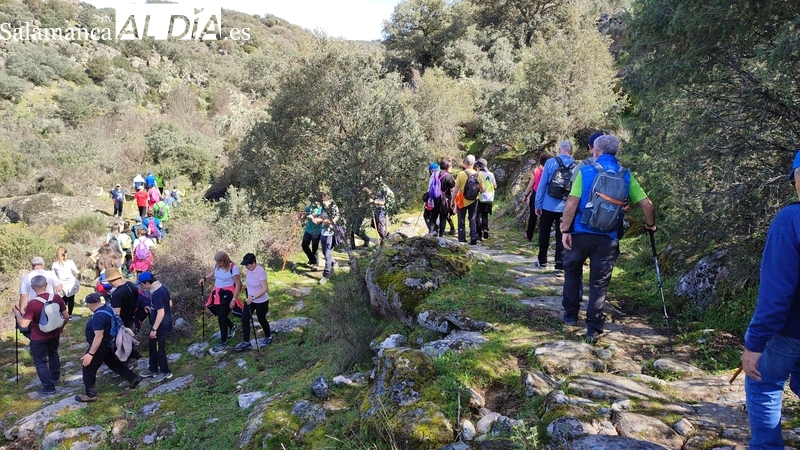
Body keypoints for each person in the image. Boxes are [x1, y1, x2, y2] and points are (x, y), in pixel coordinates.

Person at [559, 134, 656, 342]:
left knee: (573, 271)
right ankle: (593, 328)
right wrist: (651, 226)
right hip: (608, 237)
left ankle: (570, 316)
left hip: (580, 232)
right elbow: (647, 205)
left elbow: (571, 203)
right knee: (599, 282)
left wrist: (565, 230)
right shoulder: (625, 175)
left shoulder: (585, 171)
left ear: (596, 151)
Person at [740, 150, 800, 450]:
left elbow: (776, 296)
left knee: (762, 382)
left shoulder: (791, 220)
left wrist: (754, 344)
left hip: (790, 332)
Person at [76, 292, 142, 402]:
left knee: (88, 368)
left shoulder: (98, 316)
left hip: (99, 346)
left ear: (90, 304)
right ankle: (133, 378)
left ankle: (90, 394)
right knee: (113, 364)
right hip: (109, 343)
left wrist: (90, 354)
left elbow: (98, 336)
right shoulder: (108, 308)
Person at [12, 275, 68, 395]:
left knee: (40, 362)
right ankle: (55, 378)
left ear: (32, 287)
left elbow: (24, 323)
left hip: (39, 337)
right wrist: (61, 329)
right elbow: (66, 316)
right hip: (55, 333)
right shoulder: (56, 297)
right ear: (46, 285)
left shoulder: (32, 303)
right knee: (53, 353)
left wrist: (17, 313)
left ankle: (49, 387)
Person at [535, 141, 576, 269]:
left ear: (558, 150)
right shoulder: (577, 165)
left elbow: (542, 185)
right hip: (566, 207)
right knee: (562, 234)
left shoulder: (550, 162)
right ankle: (560, 264)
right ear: (571, 151)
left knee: (544, 233)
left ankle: (542, 261)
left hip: (547, 205)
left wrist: (538, 204)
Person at [199, 251, 242, 353]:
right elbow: (214, 273)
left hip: (228, 294)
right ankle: (233, 327)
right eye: (217, 262)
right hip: (217, 293)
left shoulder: (233, 268)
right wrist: (205, 278)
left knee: (221, 317)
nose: (218, 264)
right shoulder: (217, 265)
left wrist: (234, 299)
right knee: (220, 314)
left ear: (225, 260)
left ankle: (223, 342)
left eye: (220, 262)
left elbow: (237, 285)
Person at [137, 272, 173, 383]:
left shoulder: (156, 293)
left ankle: (165, 371)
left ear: (147, 283)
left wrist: (154, 329)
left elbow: (161, 313)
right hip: (161, 324)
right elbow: (169, 303)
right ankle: (153, 368)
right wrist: (152, 308)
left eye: (142, 285)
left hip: (160, 327)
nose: (143, 287)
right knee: (152, 346)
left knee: (158, 349)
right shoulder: (162, 287)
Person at [235, 253, 273, 352]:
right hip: (250, 300)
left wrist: (253, 297)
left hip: (261, 301)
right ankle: (246, 342)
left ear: (253, 263)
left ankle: (268, 336)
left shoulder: (261, 272)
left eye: (248, 265)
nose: (246, 267)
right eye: (245, 265)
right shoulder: (248, 270)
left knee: (261, 319)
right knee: (244, 319)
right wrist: (249, 296)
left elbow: (265, 289)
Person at [106, 267, 142, 359]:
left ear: (111, 281)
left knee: (120, 343)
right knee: (128, 340)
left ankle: (123, 360)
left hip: (122, 321)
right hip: (132, 317)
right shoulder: (131, 285)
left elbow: (116, 313)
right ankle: (135, 356)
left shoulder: (117, 294)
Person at [451, 155, 485, 245]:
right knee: (473, 218)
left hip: (462, 199)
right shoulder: (479, 174)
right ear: (474, 164)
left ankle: (462, 239)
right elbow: (483, 189)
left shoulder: (461, 174)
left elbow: (456, 190)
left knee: (461, 219)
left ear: (465, 163)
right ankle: (473, 236)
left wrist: (452, 200)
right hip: (474, 200)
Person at [523, 153, 553, 241]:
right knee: (544, 217)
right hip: (547, 195)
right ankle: (542, 237)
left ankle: (529, 235)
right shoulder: (551, 171)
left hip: (536, 194)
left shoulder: (536, 170)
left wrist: (525, 195)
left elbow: (531, 184)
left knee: (533, 215)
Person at [52, 247, 79, 319]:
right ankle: (70, 315)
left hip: (61, 284)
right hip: (70, 283)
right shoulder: (70, 262)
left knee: (63, 300)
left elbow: (53, 275)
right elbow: (76, 271)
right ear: (65, 254)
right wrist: (79, 276)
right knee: (71, 299)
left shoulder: (55, 264)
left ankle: (63, 314)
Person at [318, 192, 340, 285]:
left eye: (322, 201)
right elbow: (320, 218)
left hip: (331, 234)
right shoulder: (322, 208)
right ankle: (334, 263)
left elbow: (333, 221)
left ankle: (326, 275)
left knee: (327, 255)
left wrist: (322, 220)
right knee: (324, 253)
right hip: (323, 233)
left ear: (325, 199)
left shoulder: (333, 207)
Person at [475, 158, 497, 240]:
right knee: (485, 214)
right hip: (489, 197)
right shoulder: (491, 174)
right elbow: (495, 186)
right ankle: (485, 229)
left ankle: (478, 234)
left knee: (478, 215)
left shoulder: (477, 174)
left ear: (479, 167)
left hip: (479, 197)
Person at [301, 195, 323, 270]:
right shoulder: (309, 206)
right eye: (312, 201)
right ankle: (312, 259)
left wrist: (312, 218)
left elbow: (319, 220)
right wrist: (302, 216)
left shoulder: (321, 208)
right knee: (304, 245)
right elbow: (305, 214)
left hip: (317, 231)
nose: (313, 202)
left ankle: (315, 264)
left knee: (314, 247)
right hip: (308, 229)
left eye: (314, 201)